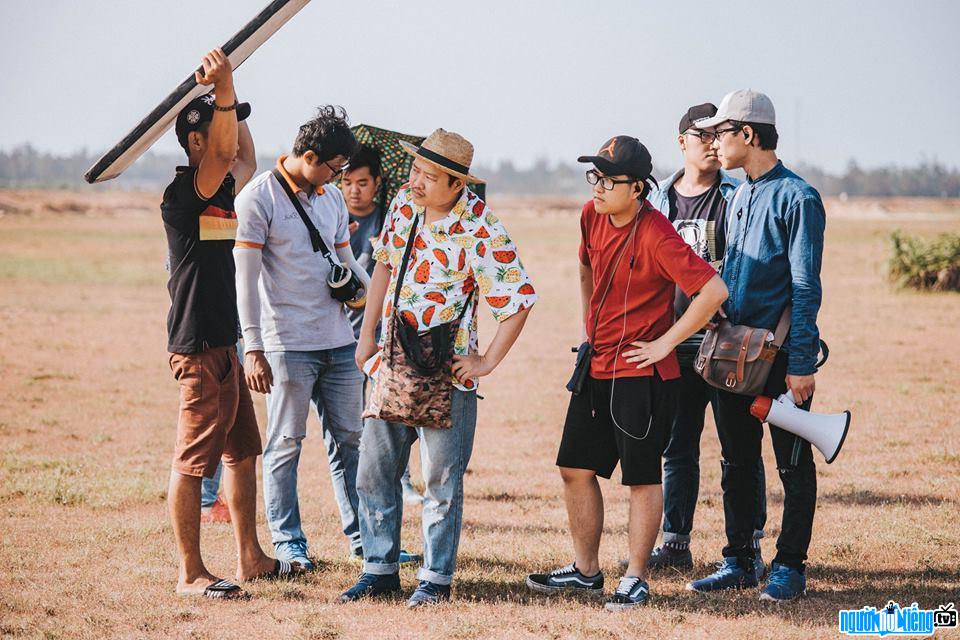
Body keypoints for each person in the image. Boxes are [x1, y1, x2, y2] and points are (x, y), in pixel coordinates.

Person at [526, 136, 728, 610]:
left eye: (607, 179)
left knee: (641, 477)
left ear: (637, 188)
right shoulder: (590, 215)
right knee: (574, 467)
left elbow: (713, 290)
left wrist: (664, 343)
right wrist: (587, 326)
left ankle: (636, 577)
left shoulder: (658, 232)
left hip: (641, 375)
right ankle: (586, 571)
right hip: (596, 367)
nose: (595, 187)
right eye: (592, 176)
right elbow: (584, 268)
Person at [341, 129, 537, 607]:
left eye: (430, 176)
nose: (417, 182)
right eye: (415, 171)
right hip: (389, 364)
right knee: (373, 472)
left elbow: (518, 299)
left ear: (457, 185)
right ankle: (379, 570)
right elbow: (384, 268)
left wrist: (486, 361)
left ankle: (435, 580)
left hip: (448, 376)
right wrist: (366, 339)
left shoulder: (481, 228)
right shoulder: (403, 209)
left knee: (441, 483)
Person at [162, 48, 299, 599]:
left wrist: (231, 95)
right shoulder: (184, 194)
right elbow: (224, 149)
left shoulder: (222, 189)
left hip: (229, 342)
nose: (227, 137)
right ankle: (190, 573)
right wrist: (221, 89)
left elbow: (242, 153)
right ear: (196, 142)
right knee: (193, 461)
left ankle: (250, 557)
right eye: (216, 129)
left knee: (242, 452)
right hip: (198, 346)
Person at [684, 90, 825, 602]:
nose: (713, 142)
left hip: (782, 357)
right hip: (732, 354)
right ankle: (740, 560)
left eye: (720, 132)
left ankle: (790, 567)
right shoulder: (739, 194)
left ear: (748, 135)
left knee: (792, 465)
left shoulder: (799, 197)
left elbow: (805, 287)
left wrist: (802, 364)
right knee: (735, 461)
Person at [234, 106, 370, 570]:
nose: (338, 180)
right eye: (333, 169)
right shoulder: (258, 199)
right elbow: (245, 279)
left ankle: (365, 538)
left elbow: (346, 261)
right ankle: (290, 543)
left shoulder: (330, 199)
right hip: (286, 343)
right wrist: (252, 347)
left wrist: (370, 302)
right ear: (309, 156)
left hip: (339, 340)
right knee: (285, 444)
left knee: (351, 440)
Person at [644, 104, 766, 576]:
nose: (713, 143)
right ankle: (675, 542)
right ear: (681, 141)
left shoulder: (736, 197)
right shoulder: (656, 201)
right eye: (702, 134)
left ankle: (749, 542)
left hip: (726, 343)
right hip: (673, 342)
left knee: (739, 446)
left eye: (720, 134)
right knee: (677, 445)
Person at [340, 144, 423, 507]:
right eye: (346, 182)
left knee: (391, 414)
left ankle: (400, 483)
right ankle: (364, 488)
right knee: (354, 427)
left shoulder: (393, 220)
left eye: (362, 182)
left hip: (384, 339)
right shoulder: (330, 220)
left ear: (377, 183)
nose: (354, 190)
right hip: (341, 336)